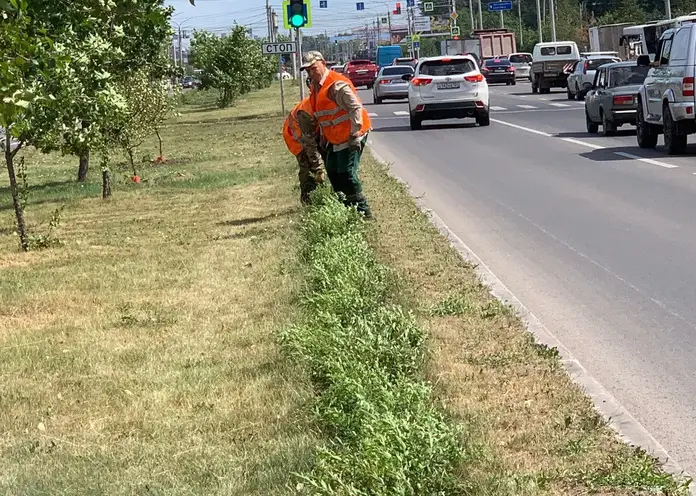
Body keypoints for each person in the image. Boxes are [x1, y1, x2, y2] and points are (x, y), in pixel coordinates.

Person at [301, 51, 373, 219]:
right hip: (335, 138)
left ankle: (364, 213)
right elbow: (324, 117)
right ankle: (347, 209)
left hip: (352, 134)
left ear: (323, 63)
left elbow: (355, 108)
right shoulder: (315, 88)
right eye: (308, 71)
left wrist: (355, 133)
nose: (311, 73)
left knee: (346, 174)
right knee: (333, 172)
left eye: (313, 68)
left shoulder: (336, 85)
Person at [282, 94, 326, 205]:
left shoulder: (320, 103)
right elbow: (310, 145)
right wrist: (319, 169)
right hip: (295, 138)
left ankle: (316, 197)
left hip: (307, 135)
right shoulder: (305, 113)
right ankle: (307, 201)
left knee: (314, 165)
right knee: (307, 166)